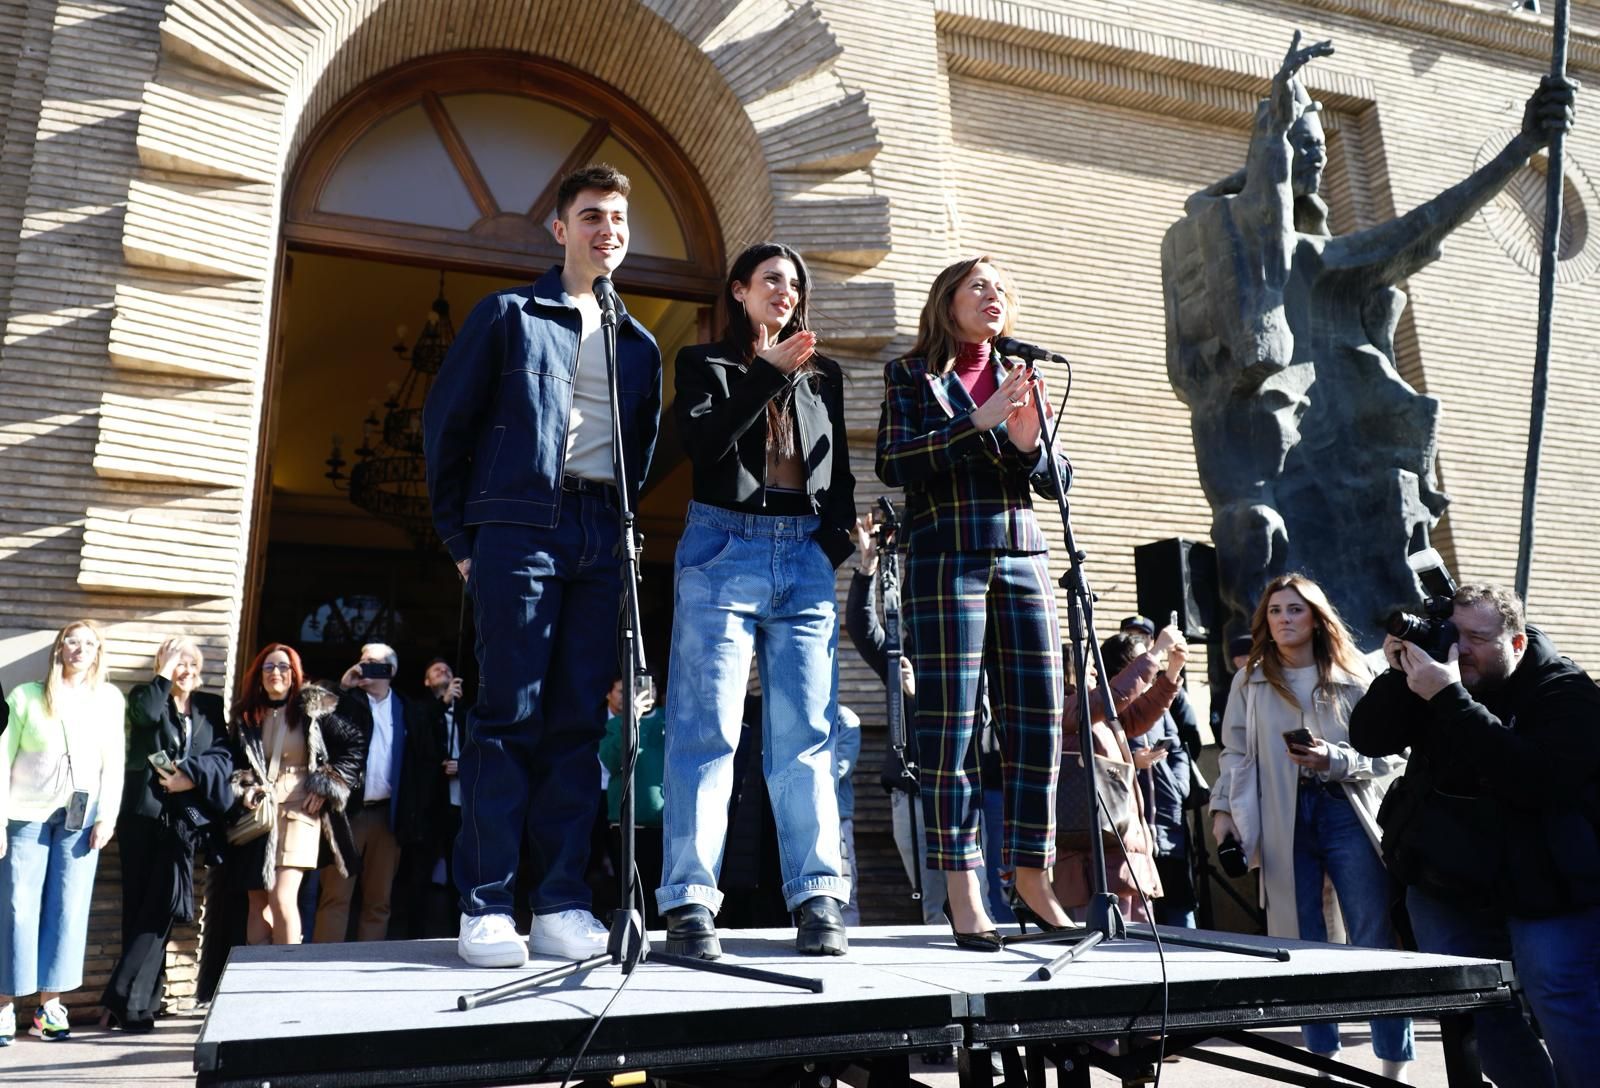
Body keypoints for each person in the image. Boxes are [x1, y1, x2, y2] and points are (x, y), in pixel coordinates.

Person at [424, 163, 663, 968]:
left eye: (619, 218)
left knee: (576, 727)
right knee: (507, 717)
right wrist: (464, 544)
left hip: (600, 532)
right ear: (560, 230)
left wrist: (621, 535)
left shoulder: (640, 344)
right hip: (518, 528)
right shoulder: (509, 315)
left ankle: (561, 902)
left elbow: (644, 455)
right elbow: (445, 430)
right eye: (591, 215)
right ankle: (486, 905)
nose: (608, 229)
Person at [657, 240, 854, 959]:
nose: (786, 292)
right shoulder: (705, 363)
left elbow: (840, 474)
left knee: (806, 735)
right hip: (722, 548)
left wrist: (831, 544)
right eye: (772, 280)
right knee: (707, 731)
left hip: (801, 553)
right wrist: (763, 378)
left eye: (795, 284)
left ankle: (818, 897)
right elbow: (704, 449)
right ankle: (688, 905)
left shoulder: (822, 374)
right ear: (739, 291)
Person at [876, 255, 1074, 950]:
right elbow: (893, 463)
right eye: (978, 286)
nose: (994, 297)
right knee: (952, 728)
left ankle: (1031, 874)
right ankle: (963, 889)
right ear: (948, 301)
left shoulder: (1023, 372)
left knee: (1039, 719)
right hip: (945, 559)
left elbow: (1058, 478)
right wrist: (977, 422)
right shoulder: (912, 375)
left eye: (1002, 289)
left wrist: (1029, 448)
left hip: (1024, 555)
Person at [1350, 583, 1600, 1088]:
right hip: (1449, 876)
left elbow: (1535, 780)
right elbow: (1369, 737)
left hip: (1546, 879)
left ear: (1517, 643)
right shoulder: (1437, 674)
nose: (1460, 649)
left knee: (1558, 992)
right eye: (1452, 634)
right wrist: (1400, 677)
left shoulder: (1564, 689)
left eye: (1477, 638)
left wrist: (1449, 698)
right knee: (1471, 1005)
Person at [1208, 574, 1412, 1079]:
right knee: (1300, 940)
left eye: (1294, 609)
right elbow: (1234, 754)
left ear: (1316, 616)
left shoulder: (1355, 672)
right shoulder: (1249, 679)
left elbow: (1392, 753)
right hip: (1280, 815)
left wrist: (1334, 759)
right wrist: (1222, 813)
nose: (1283, 619)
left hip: (1345, 808)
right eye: (1275, 611)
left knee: (1372, 935)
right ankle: (1322, 1059)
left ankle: (1393, 1062)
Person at [0, 620, 125, 1044]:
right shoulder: (26, 696)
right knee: (17, 907)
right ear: (60, 648)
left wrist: (107, 815)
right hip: (24, 815)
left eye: (89, 643)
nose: (80, 648)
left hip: (80, 819)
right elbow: (1, 760)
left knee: (67, 909)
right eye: (73, 640)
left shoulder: (109, 699)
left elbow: (115, 762)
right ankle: (4, 1005)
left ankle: (49, 1006)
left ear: (98, 653)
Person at [101, 636, 234, 1031]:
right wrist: (164, 672)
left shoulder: (209, 706)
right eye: (178, 662)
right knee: (139, 906)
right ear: (162, 664)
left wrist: (189, 778)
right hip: (142, 816)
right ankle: (142, 1006)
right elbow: (145, 717)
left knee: (161, 905)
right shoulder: (147, 695)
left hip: (183, 819)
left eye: (192, 662)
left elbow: (223, 755)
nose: (186, 670)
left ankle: (120, 995)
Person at [226, 644, 364, 946]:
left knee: (282, 895)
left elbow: (353, 744)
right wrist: (244, 789)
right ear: (258, 675)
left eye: (284, 667)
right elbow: (234, 763)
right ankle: (254, 978)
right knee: (257, 901)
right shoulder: (246, 715)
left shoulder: (312, 709)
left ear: (294, 674)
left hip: (301, 810)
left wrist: (326, 785)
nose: (276, 673)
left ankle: (283, 972)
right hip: (259, 814)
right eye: (269, 667)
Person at [1055, 630, 1185, 922]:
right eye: (1085, 664)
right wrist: (1155, 652)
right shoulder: (1065, 708)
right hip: (1094, 856)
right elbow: (1115, 696)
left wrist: (1172, 672)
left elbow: (1137, 714)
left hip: (1122, 848)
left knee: (1137, 940)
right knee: (1110, 940)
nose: (1093, 669)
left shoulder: (1094, 714)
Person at [317, 642, 434, 942]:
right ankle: (319, 968)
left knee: (379, 901)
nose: (363, 666)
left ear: (390, 671)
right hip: (348, 813)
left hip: (388, 816)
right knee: (335, 896)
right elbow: (318, 729)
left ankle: (366, 967)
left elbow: (422, 764)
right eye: (362, 660)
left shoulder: (408, 710)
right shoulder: (347, 702)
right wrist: (342, 688)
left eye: (372, 663)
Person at [598, 674, 665, 930]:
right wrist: (632, 720)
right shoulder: (615, 724)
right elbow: (613, 760)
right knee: (627, 891)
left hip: (663, 825)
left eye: (649, 685)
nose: (642, 693)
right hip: (625, 824)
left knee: (659, 894)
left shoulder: (667, 719)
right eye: (634, 688)